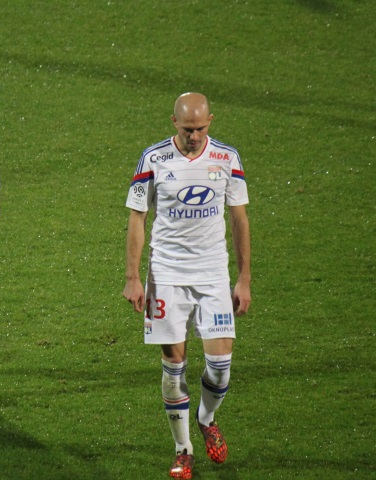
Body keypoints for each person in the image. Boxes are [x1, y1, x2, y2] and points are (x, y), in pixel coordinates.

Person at [122, 93, 251, 479]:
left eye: (200, 129)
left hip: (213, 275)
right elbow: (137, 218)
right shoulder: (153, 159)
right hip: (167, 276)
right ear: (174, 122)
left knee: (220, 369)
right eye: (187, 129)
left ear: (210, 121)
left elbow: (239, 219)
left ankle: (206, 419)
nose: (194, 136)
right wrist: (132, 277)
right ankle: (183, 450)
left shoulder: (227, 158)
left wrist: (244, 277)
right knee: (174, 367)